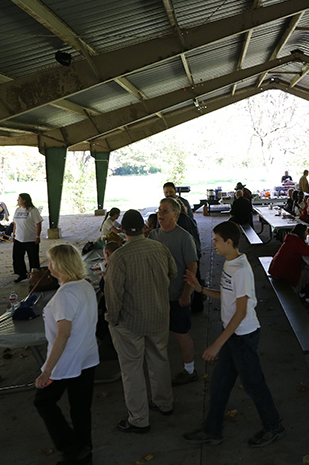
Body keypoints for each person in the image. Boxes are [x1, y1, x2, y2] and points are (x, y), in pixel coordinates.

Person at [183, 221, 284, 447]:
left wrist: (217, 344)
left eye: (217, 240)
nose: (214, 244)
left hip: (243, 336)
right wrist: (200, 289)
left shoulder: (241, 271)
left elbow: (240, 312)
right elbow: (227, 296)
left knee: (254, 385)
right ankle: (212, 430)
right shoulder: (230, 263)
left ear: (229, 242)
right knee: (219, 384)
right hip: (232, 336)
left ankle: (274, 426)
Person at [106, 210, 177, 433]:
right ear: (144, 228)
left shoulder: (119, 257)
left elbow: (113, 295)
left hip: (130, 322)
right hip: (159, 316)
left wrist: (113, 319)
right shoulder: (159, 248)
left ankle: (139, 419)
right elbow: (173, 273)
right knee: (160, 360)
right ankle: (164, 403)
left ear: (124, 231)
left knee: (132, 370)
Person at [34, 244, 99, 465]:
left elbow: (63, 335)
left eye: (51, 262)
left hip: (66, 362)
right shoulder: (85, 286)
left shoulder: (65, 295)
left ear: (60, 265)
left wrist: (47, 370)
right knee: (80, 408)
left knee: (43, 401)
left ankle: (71, 448)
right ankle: (84, 452)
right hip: (87, 358)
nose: (48, 267)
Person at [149, 198, 199, 385]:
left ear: (176, 214)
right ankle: (159, 370)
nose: (160, 214)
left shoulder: (184, 238)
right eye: (159, 210)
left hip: (177, 295)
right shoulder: (153, 236)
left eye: (165, 211)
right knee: (159, 335)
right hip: (158, 295)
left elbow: (191, 268)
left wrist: (186, 293)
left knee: (181, 334)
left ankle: (190, 369)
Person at [269, 223, 309, 306]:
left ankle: (302, 294)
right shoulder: (296, 242)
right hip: (282, 274)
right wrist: (306, 245)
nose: (307, 234)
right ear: (301, 233)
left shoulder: (291, 239)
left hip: (276, 269)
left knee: (304, 269)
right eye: (306, 232)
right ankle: (308, 299)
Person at [12, 192, 43, 283]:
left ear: (24, 200)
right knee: (17, 257)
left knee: (33, 258)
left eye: (19, 199)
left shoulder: (33, 210)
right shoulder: (17, 210)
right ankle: (22, 274)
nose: (18, 200)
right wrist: (14, 234)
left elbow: (38, 224)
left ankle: (35, 275)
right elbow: (15, 223)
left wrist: (37, 236)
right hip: (19, 238)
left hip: (30, 238)